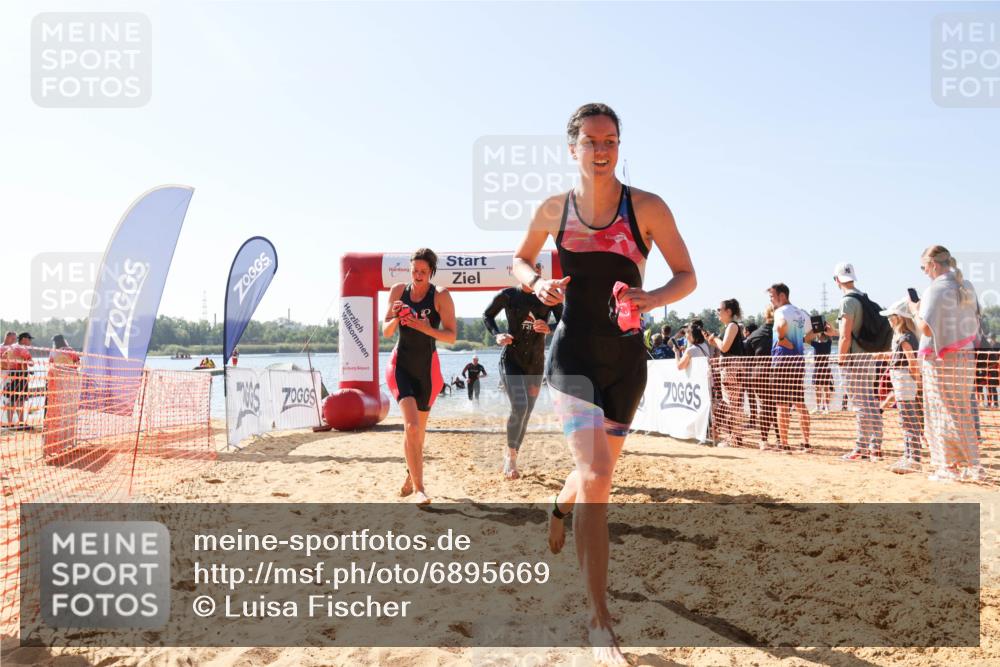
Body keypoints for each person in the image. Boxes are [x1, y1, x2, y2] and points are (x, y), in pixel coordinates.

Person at [512, 103, 696, 664]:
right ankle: (599, 622)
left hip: (626, 366)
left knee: (594, 477)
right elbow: (520, 262)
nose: (601, 149)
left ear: (619, 145)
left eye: (610, 140)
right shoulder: (553, 209)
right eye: (590, 141)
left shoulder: (646, 207)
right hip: (571, 360)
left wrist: (652, 297)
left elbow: (687, 275)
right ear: (572, 148)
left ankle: (560, 507)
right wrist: (537, 283)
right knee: (598, 477)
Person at [383, 248, 457, 504]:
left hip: (426, 371)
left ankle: (409, 475)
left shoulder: (441, 296)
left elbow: (451, 336)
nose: (418, 275)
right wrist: (397, 317)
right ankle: (420, 489)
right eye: (414, 270)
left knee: (417, 432)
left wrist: (426, 328)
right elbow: (386, 330)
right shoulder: (398, 292)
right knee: (412, 426)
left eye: (423, 272)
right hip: (400, 365)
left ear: (431, 272)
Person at [908, 245, 982, 482]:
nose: (924, 272)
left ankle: (947, 467)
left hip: (940, 358)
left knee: (940, 411)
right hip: (965, 356)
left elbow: (925, 327)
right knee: (962, 411)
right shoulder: (965, 285)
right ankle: (973, 465)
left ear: (933, 265)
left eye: (923, 267)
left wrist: (914, 310)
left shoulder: (936, 288)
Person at [483, 284, 563, 479]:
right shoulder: (509, 295)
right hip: (511, 360)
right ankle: (510, 456)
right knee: (520, 405)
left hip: (535, 364)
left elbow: (566, 321)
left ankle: (513, 454)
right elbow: (487, 315)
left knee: (526, 413)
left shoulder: (548, 295)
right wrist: (498, 335)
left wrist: (549, 328)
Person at [833, 262, 886, 461]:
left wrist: (841, 360)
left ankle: (861, 447)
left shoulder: (847, 302)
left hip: (854, 359)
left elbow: (845, 336)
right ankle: (875, 445)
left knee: (860, 404)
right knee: (870, 401)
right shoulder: (863, 297)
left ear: (837, 280)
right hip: (868, 356)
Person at [877, 300, 923, 474]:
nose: (888, 319)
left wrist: (915, 379)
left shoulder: (906, 336)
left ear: (899, 318)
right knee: (906, 419)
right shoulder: (903, 336)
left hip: (904, 380)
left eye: (891, 316)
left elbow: (911, 361)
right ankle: (909, 455)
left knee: (909, 420)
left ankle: (914, 459)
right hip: (901, 380)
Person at [768, 284, 814, 452]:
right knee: (800, 402)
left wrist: (781, 337)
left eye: (772, 297)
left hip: (782, 361)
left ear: (782, 295)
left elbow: (780, 325)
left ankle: (784, 443)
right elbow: (811, 333)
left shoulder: (780, 312)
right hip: (798, 361)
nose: (771, 301)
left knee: (782, 404)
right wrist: (799, 342)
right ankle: (806, 441)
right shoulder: (801, 312)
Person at [705, 299, 746, 447]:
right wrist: (714, 340)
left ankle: (735, 439)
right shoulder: (729, 327)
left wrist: (715, 339)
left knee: (732, 404)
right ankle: (735, 437)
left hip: (731, 369)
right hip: (729, 369)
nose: (717, 313)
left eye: (719, 309)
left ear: (728, 311)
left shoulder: (732, 326)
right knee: (731, 404)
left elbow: (725, 347)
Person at [3, 333, 35, 429]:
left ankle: (10, 423)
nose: (30, 341)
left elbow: (4, 358)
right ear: (24, 339)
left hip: (10, 375)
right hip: (20, 376)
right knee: (20, 400)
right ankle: (21, 423)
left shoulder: (10, 347)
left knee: (10, 399)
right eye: (29, 339)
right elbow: (31, 363)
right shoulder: (22, 349)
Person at [810, 327, 834, 413]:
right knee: (825, 389)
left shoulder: (816, 344)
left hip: (818, 369)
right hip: (825, 368)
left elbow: (806, 339)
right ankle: (825, 407)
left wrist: (815, 330)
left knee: (819, 389)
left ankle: (819, 407)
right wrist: (826, 328)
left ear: (819, 336)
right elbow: (831, 335)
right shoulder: (829, 343)